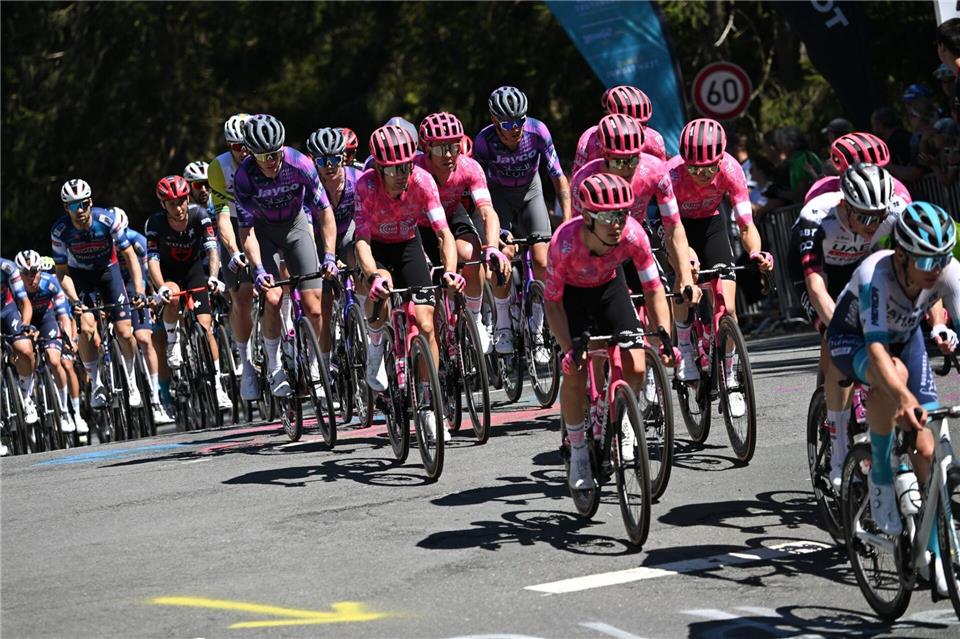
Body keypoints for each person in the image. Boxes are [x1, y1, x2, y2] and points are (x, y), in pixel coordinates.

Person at [827, 202, 958, 595]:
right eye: (924, 258)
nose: (935, 267)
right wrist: (902, 397)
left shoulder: (946, 271)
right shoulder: (875, 276)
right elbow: (879, 350)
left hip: (907, 338)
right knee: (894, 379)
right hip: (854, 342)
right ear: (901, 254)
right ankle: (881, 475)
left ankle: (935, 555)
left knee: (928, 447)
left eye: (942, 257)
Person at [543, 173, 674, 488]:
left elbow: (654, 289)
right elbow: (552, 305)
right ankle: (577, 452)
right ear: (588, 217)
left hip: (609, 289)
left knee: (637, 364)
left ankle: (617, 414)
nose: (617, 223)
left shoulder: (633, 235)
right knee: (574, 372)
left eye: (622, 214)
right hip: (571, 299)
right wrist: (569, 348)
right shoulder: (563, 243)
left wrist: (665, 335)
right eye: (607, 216)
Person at [789, 164, 899, 486]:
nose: (872, 224)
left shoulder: (891, 213)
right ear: (845, 206)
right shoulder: (817, 216)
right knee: (837, 339)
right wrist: (841, 328)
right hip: (816, 273)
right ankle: (838, 450)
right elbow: (815, 285)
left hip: (858, 270)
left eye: (878, 217)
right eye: (864, 217)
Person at [353, 124, 461, 442]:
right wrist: (372, 275)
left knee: (426, 322)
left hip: (409, 246)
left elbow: (443, 234)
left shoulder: (423, 181)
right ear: (379, 168)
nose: (402, 173)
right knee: (384, 287)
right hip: (377, 250)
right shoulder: (365, 186)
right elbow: (360, 241)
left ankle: (430, 404)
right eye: (394, 169)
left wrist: (451, 271)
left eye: (406, 166)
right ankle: (376, 350)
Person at [667, 119, 774, 417]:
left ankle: (730, 378)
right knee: (684, 278)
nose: (701, 175)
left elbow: (745, 223)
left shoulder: (730, 169)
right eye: (694, 168)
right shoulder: (673, 174)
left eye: (707, 168)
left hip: (712, 225)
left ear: (720, 159)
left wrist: (755, 253)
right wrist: (685, 256)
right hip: (678, 229)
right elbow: (672, 229)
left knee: (727, 309)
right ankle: (687, 350)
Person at [235, 114, 338, 398]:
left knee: (314, 306)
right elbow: (246, 232)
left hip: (296, 226)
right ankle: (274, 364)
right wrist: (257, 269)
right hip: (263, 232)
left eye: (275, 152)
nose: (270, 160)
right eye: (263, 155)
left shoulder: (299, 164)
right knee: (272, 297)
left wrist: (329, 254)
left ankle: (316, 365)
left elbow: (324, 211)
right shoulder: (244, 176)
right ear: (250, 153)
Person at [474, 86, 571, 356]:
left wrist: (567, 221)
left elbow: (558, 177)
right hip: (499, 196)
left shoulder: (537, 131)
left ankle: (538, 327)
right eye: (508, 123)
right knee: (502, 257)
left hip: (531, 191)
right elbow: (478, 187)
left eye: (520, 120)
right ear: (495, 121)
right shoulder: (484, 141)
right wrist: (495, 231)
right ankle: (503, 322)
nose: (515, 128)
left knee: (542, 260)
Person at [569, 112, 698, 304]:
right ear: (604, 155)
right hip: (600, 248)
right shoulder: (585, 180)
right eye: (619, 161)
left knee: (660, 297)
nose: (627, 168)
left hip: (633, 240)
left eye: (633, 160)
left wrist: (685, 276)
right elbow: (580, 237)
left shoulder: (655, 170)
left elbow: (673, 226)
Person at [414, 112, 509, 355]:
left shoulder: (469, 167)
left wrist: (492, 249)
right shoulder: (415, 170)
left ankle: (475, 317)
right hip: (417, 224)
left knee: (473, 252)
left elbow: (487, 212)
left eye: (454, 146)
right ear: (426, 148)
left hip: (450, 215)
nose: (448, 154)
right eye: (440, 148)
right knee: (429, 282)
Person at [51, 178, 146, 409]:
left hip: (108, 272)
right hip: (81, 277)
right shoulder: (60, 231)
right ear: (66, 208)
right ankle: (96, 384)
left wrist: (140, 290)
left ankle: (132, 382)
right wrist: (74, 301)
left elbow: (130, 256)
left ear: (90, 202)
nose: (80, 210)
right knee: (86, 327)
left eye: (83, 203)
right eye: (73, 206)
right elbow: (62, 273)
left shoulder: (107, 220)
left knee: (124, 332)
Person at [145, 175, 232, 410]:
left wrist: (213, 277)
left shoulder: (199, 216)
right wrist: (160, 285)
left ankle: (217, 386)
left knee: (206, 328)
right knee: (172, 295)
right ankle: (174, 340)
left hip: (193, 271)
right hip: (168, 274)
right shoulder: (155, 223)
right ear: (163, 205)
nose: (179, 207)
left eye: (182, 201)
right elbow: (151, 260)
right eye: (172, 203)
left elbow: (212, 249)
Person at [209, 113, 260, 401]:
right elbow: (223, 217)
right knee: (241, 296)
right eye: (235, 146)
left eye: (245, 145)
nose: (242, 152)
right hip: (235, 224)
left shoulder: (265, 157)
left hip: (264, 222)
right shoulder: (219, 167)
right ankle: (247, 365)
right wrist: (233, 251)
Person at [306, 126, 360, 385]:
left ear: (344, 157)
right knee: (324, 305)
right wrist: (324, 257)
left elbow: (367, 219)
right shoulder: (308, 186)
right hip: (318, 240)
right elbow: (304, 228)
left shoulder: (357, 178)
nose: (329, 166)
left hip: (348, 233)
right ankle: (324, 365)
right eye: (321, 161)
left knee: (358, 253)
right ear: (312, 161)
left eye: (334, 159)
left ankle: (360, 309)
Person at [113, 209, 173, 425]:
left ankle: (156, 398)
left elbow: (148, 270)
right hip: (113, 286)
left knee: (145, 338)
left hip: (136, 285)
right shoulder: (102, 243)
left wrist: (150, 297)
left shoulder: (136, 240)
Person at [14, 250, 76, 432]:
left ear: (40, 271)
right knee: (25, 356)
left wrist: (68, 338)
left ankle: (64, 410)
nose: (30, 277)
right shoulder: (15, 288)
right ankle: (28, 398)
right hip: (24, 322)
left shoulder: (51, 283)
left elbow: (63, 315)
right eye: (25, 273)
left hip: (46, 319)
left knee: (55, 360)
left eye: (34, 272)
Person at [571, 85, 667, 176]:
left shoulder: (654, 139)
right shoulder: (589, 138)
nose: (637, 131)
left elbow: (663, 176)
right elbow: (578, 177)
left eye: (643, 125)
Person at [805, 132, 912, 205]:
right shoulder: (820, 192)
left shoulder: (897, 190)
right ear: (841, 172)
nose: (872, 179)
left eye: (877, 172)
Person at [1, 255, 38, 427]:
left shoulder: (6, 267)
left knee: (25, 349)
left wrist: (25, 325)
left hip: (7, 310)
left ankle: (26, 396)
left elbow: (24, 302)